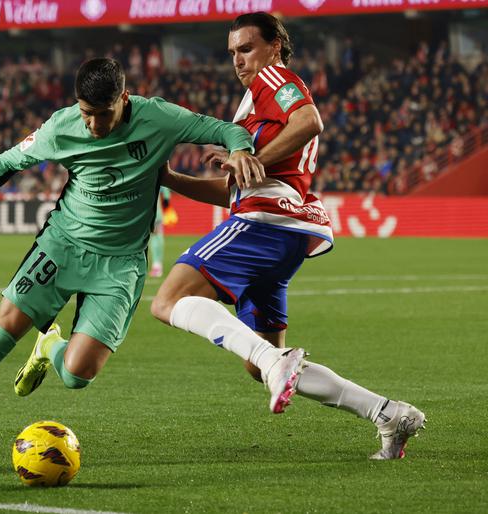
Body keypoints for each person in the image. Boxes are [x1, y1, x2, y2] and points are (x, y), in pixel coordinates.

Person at [0, 58, 297, 465]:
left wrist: (241, 150)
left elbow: (226, 129)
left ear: (124, 99)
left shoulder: (159, 116)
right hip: (62, 246)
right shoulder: (62, 126)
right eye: (85, 113)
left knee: (77, 375)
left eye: (101, 114)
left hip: (120, 265)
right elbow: (6, 162)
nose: (91, 124)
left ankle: (50, 343)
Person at [150, 12, 425, 460]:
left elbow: (310, 122)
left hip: (266, 221)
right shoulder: (251, 103)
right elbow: (235, 188)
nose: (239, 60)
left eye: (247, 48)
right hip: (284, 232)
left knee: (166, 302)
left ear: (275, 45)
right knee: (256, 364)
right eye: (233, 52)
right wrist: (171, 179)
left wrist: (252, 159)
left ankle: (280, 363)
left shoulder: (275, 77)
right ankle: (388, 413)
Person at [148, 186, 171, 278]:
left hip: (151, 212)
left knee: (154, 238)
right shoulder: (156, 174)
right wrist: (166, 199)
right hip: (156, 212)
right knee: (157, 236)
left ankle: (157, 265)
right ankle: (157, 264)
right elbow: (165, 189)